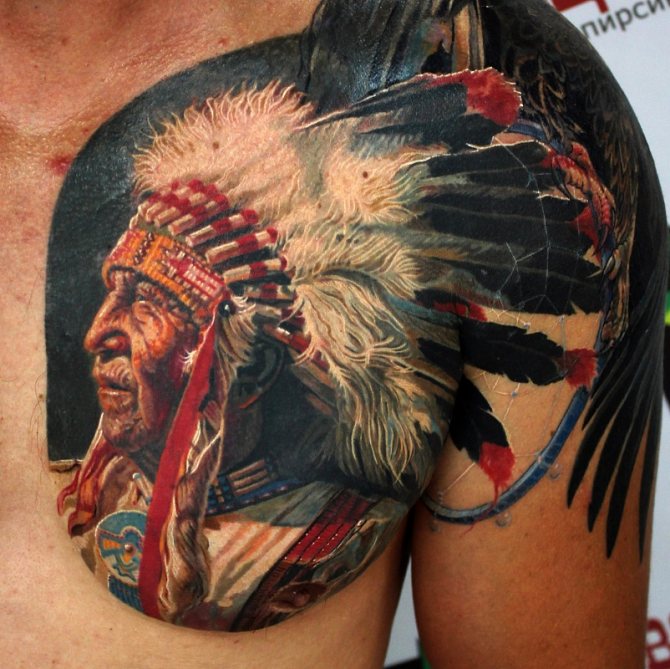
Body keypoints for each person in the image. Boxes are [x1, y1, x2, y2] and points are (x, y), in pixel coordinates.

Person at [1, 0, 665, 666]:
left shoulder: (515, 81)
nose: (97, 334)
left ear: (254, 366)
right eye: (117, 294)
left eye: (146, 303)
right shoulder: (114, 479)